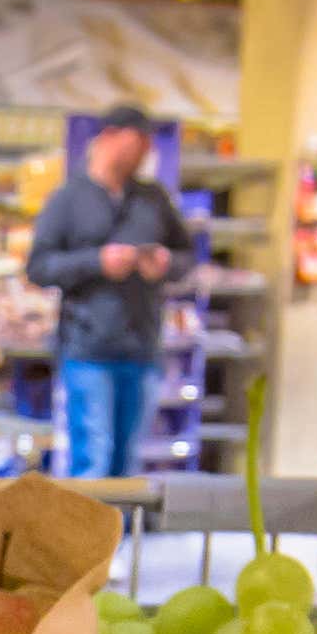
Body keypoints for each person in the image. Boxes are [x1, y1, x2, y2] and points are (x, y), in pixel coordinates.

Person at [23, 104, 195, 480]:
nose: (142, 154)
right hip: (88, 350)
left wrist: (166, 264)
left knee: (127, 464)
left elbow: (188, 257)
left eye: (147, 147)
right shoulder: (68, 199)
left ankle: (119, 537)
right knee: (93, 460)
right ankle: (88, 540)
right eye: (136, 144)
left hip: (143, 348)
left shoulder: (153, 199)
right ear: (109, 138)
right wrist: (97, 263)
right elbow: (38, 267)